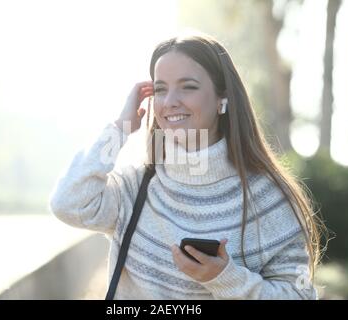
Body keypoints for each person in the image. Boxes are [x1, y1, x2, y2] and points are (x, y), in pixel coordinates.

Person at [49, 32, 323, 299]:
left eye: (188, 86)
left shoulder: (270, 198)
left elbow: (300, 295)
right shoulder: (135, 186)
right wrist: (119, 129)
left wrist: (225, 279)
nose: (169, 102)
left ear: (222, 99)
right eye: (160, 89)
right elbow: (67, 203)